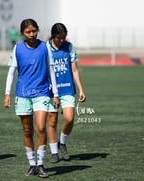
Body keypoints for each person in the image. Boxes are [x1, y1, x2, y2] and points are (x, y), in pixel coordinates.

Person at [3, 18, 59, 178]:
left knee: (40, 127)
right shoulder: (17, 49)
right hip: (22, 95)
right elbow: (11, 72)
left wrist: (55, 94)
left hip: (42, 93)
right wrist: (7, 93)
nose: (32, 34)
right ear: (22, 33)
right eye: (28, 32)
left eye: (34, 31)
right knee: (27, 130)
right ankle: (32, 164)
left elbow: (51, 70)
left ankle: (41, 164)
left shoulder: (45, 47)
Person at [47, 23, 86, 163]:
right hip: (50, 92)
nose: (62, 40)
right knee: (52, 121)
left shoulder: (69, 47)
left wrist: (81, 89)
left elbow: (74, 70)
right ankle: (54, 153)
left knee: (69, 118)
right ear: (53, 36)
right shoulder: (45, 48)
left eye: (64, 37)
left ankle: (62, 143)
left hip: (68, 89)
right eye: (59, 38)